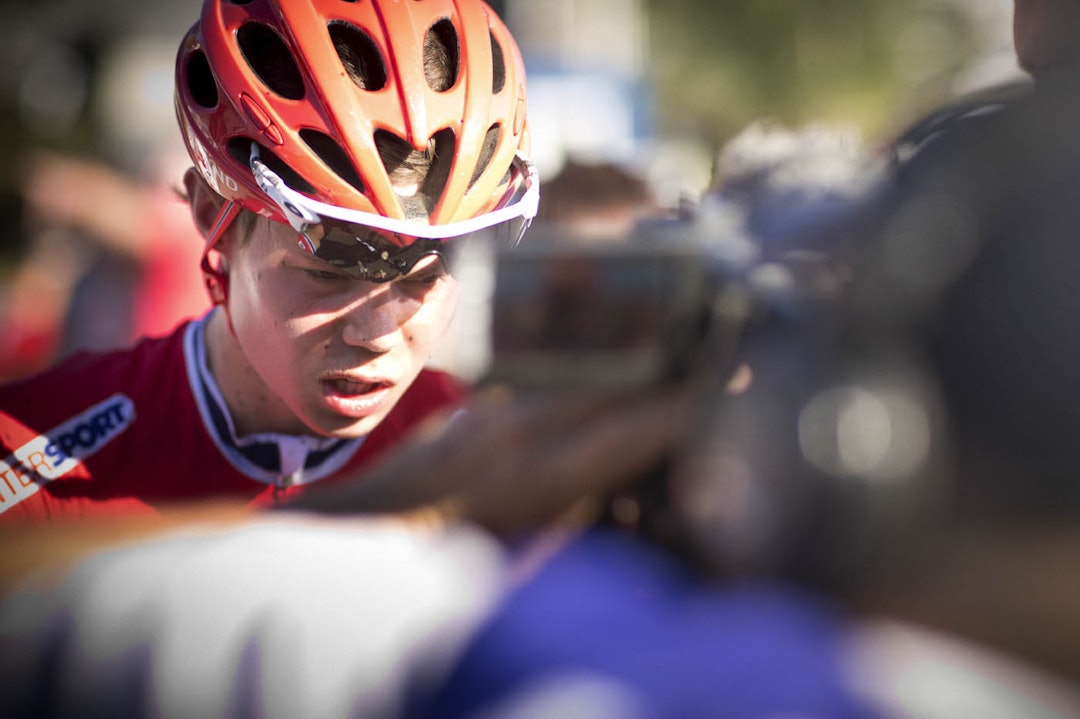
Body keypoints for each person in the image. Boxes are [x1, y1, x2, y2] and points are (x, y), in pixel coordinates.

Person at [0, 0, 537, 521]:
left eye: (423, 278)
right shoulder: (28, 451)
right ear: (212, 215)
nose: (377, 332)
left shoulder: (498, 461)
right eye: (329, 273)